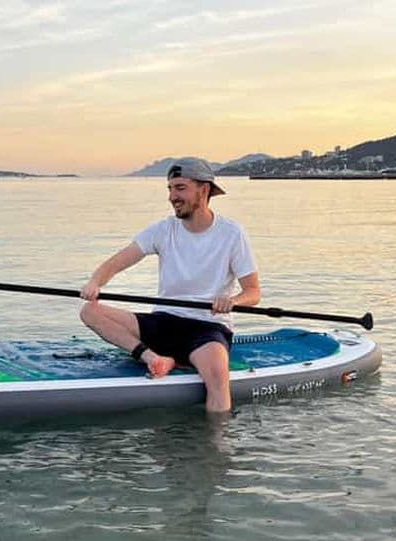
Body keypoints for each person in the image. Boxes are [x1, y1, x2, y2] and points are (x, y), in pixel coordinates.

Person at [80, 157, 261, 413]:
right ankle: (153, 358)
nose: (172, 196)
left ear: (204, 189)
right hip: (164, 321)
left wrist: (233, 301)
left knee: (219, 381)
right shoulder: (163, 230)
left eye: (180, 188)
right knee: (90, 311)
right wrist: (95, 282)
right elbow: (117, 261)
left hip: (207, 328)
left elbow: (253, 292)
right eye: (170, 189)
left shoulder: (232, 233)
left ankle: (216, 449)